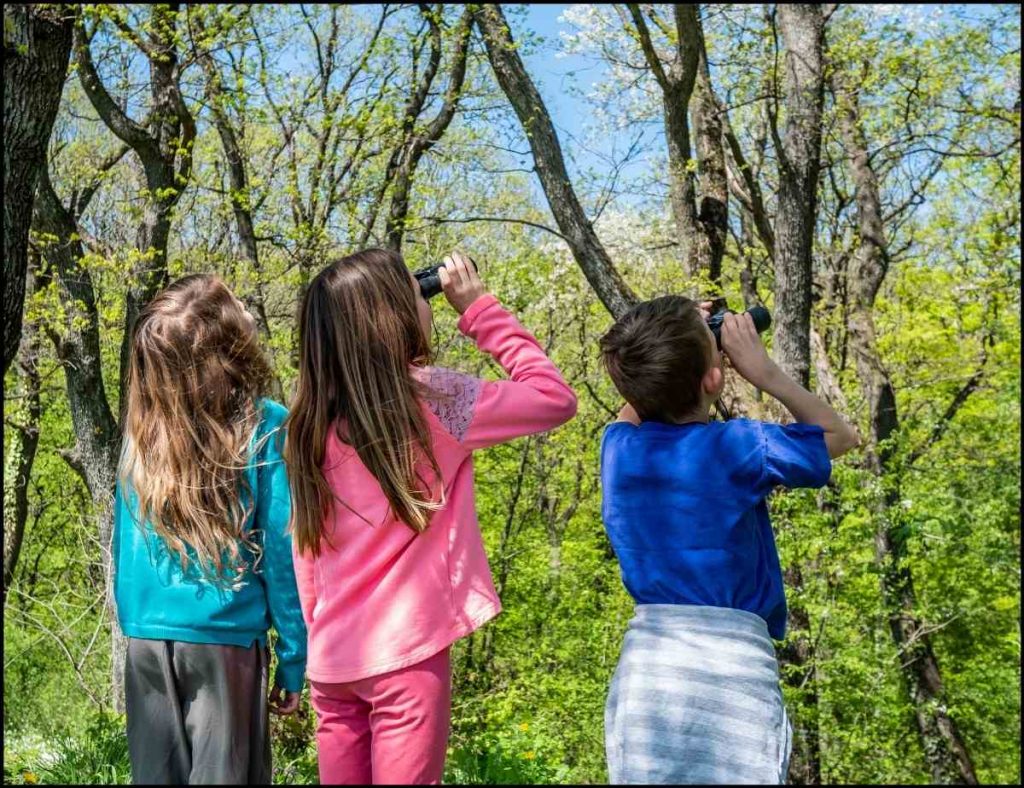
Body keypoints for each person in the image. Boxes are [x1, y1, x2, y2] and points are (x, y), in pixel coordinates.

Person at [286, 248, 577, 784]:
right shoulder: (436, 403)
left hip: (332, 661)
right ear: (392, 316)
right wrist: (479, 309)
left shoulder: (308, 424)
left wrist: (313, 636)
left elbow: (306, 551)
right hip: (406, 656)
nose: (430, 304)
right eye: (419, 295)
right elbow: (554, 398)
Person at [598, 295, 860, 784]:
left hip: (648, 677)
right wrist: (764, 371)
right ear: (714, 378)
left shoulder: (618, 451)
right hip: (732, 671)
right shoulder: (740, 446)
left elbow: (631, 407)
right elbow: (840, 436)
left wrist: (673, 343)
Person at [113, 274, 307, 784]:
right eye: (237, 303)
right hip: (224, 639)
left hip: (145, 640)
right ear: (226, 343)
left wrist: (135, 621)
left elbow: (125, 545)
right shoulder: (265, 425)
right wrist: (294, 655)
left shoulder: (141, 434)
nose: (247, 308)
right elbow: (284, 549)